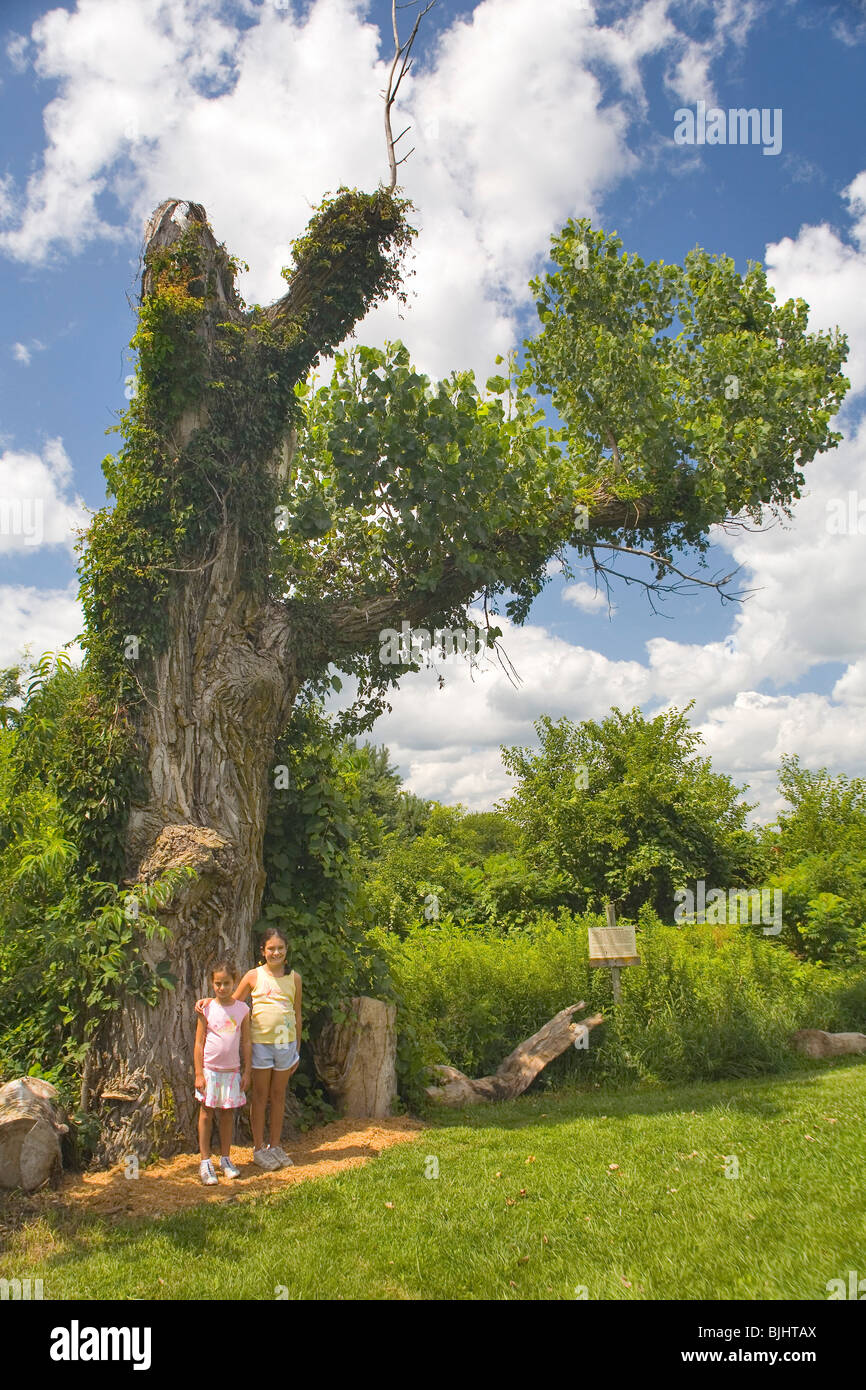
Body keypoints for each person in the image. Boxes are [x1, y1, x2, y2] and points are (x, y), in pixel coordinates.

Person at [196, 927, 301, 1171]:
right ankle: (258, 1147)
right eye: (271, 948)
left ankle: (275, 1146)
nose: (276, 952)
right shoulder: (254, 976)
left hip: (285, 1046)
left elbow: (297, 1013)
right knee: (260, 1095)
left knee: (278, 1095)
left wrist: (297, 1048)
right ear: (262, 951)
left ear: (287, 951)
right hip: (260, 1045)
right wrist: (208, 1002)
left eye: (280, 948)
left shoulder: (294, 978)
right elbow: (232, 1001)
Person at [194, 959, 251, 1185]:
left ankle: (225, 1158)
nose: (222, 988)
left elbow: (246, 1042)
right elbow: (199, 1043)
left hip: (232, 1071)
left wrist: (247, 1072)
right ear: (211, 983)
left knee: (227, 1114)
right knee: (206, 1113)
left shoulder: (242, 1009)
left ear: (234, 982)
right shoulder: (206, 1008)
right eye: (217, 983)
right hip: (210, 1071)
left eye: (226, 983)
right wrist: (199, 1073)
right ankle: (205, 1161)